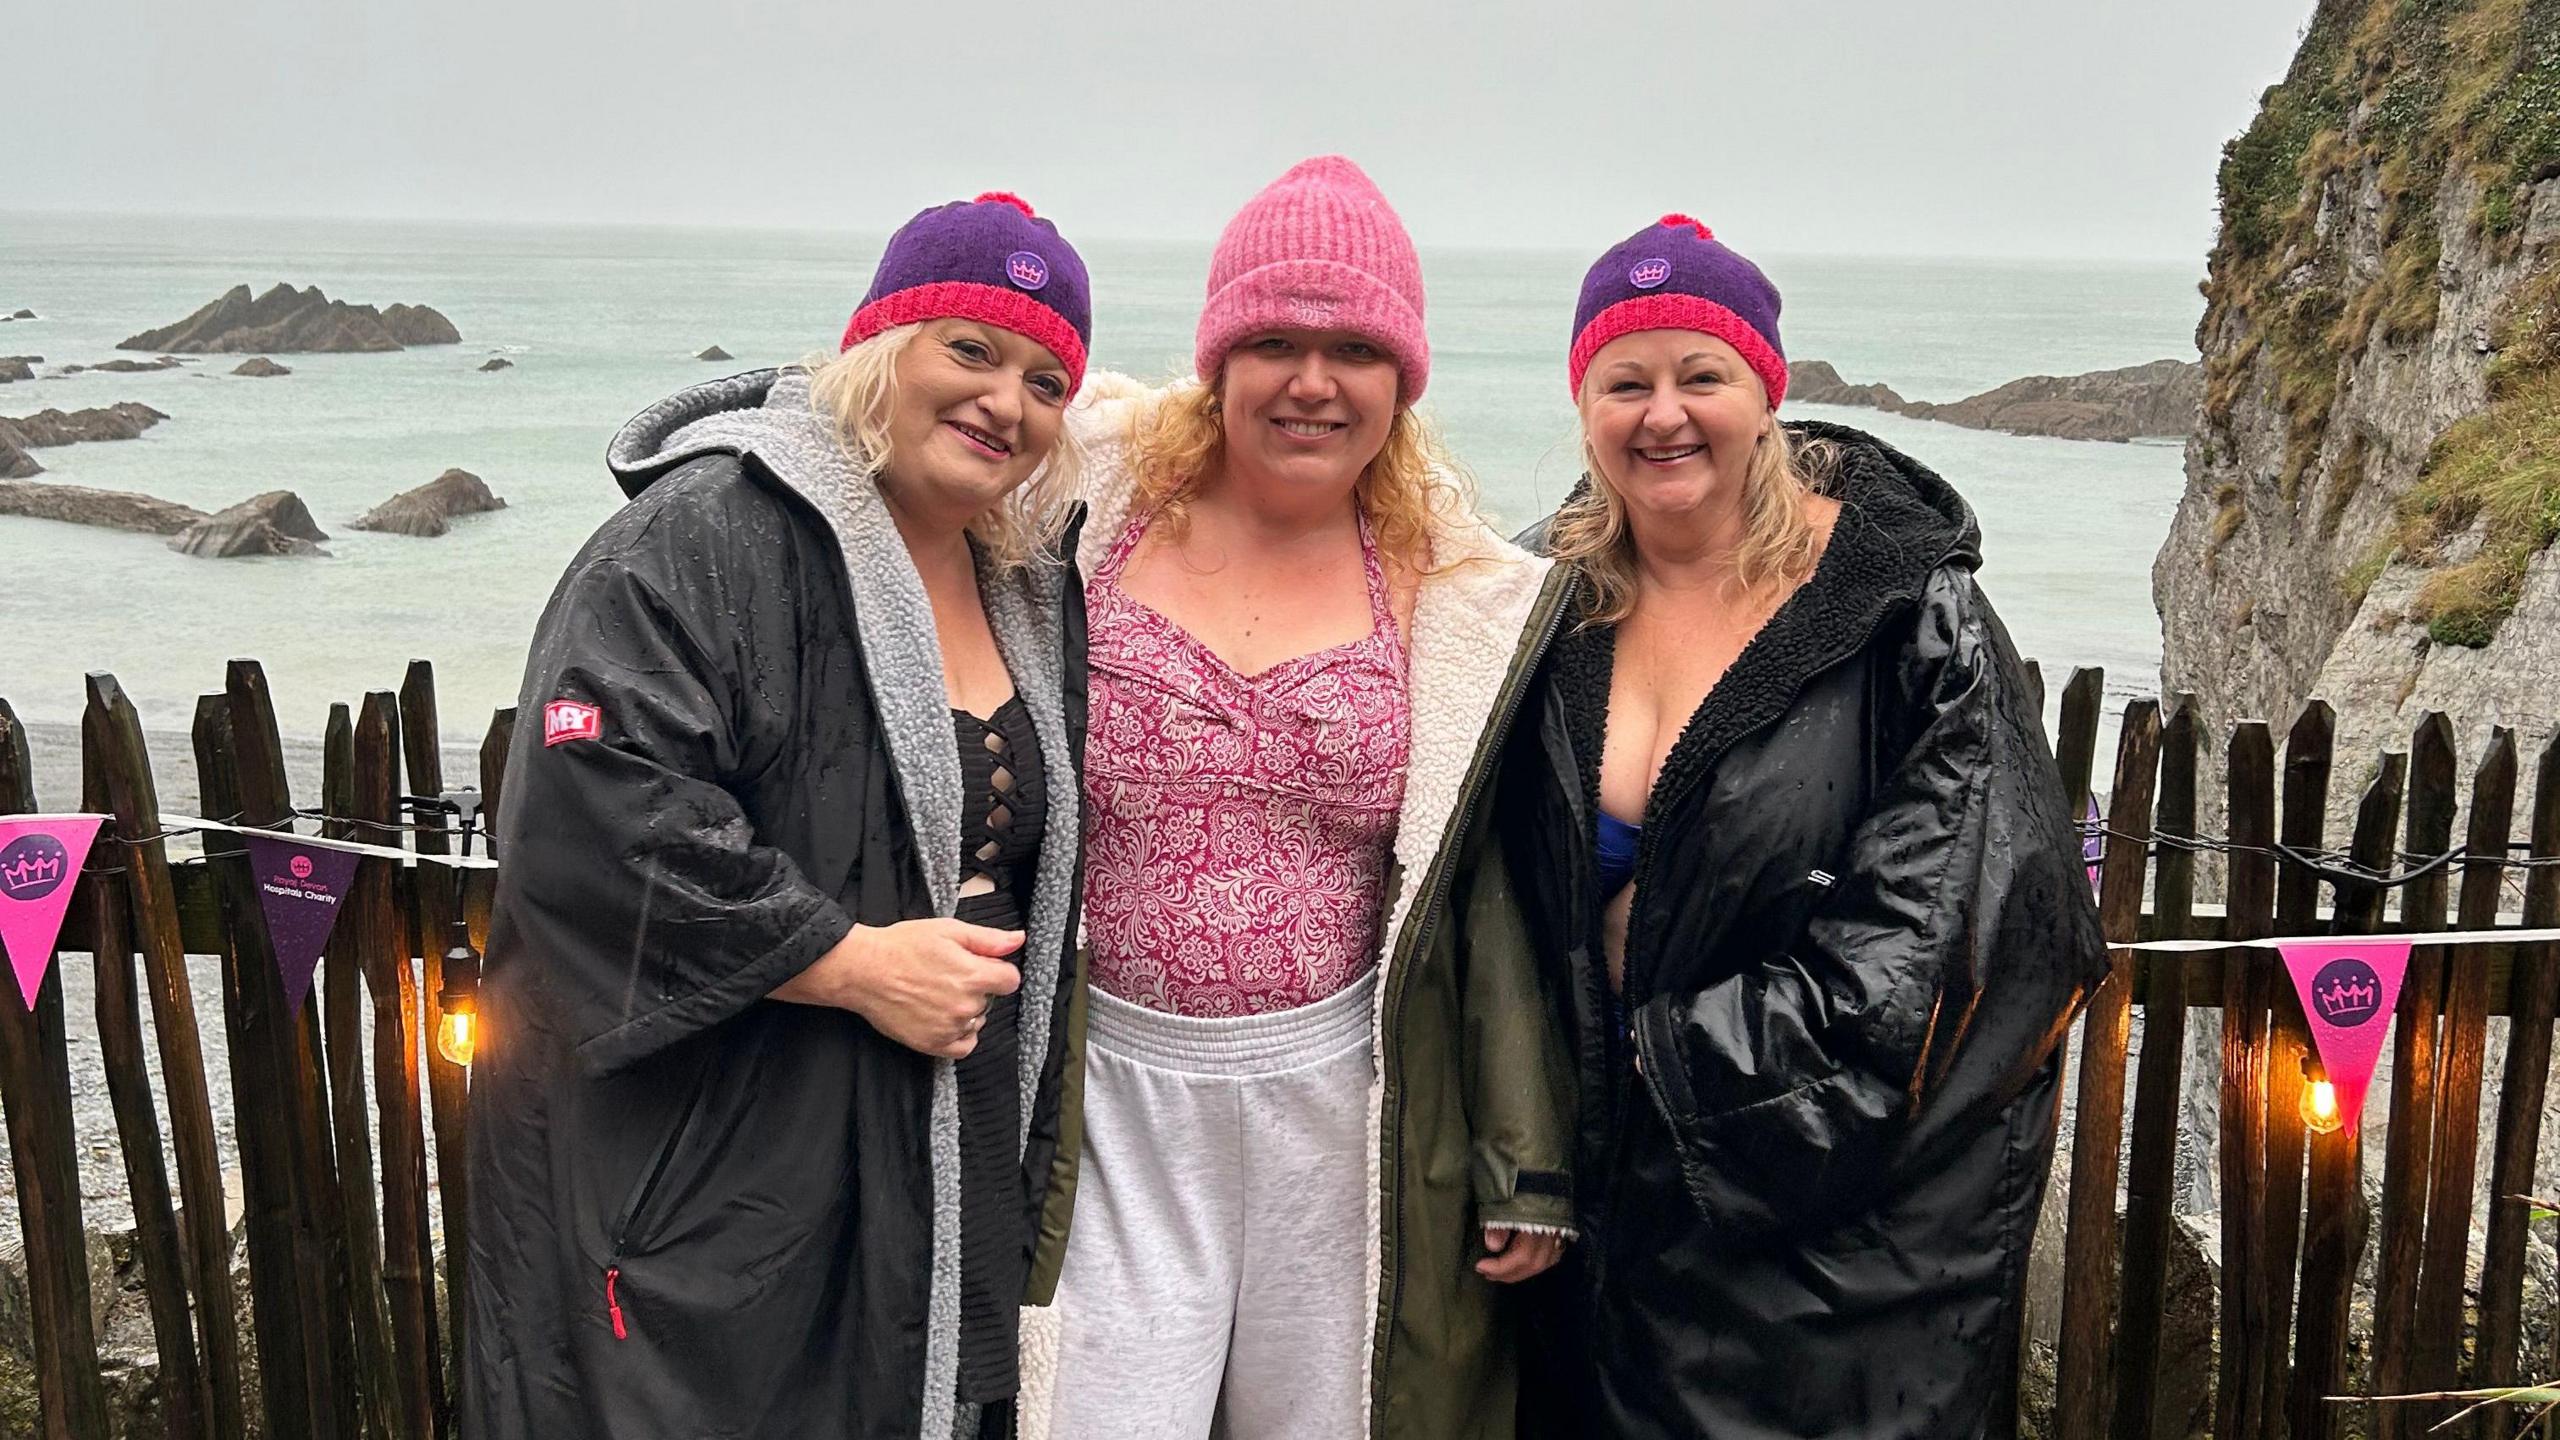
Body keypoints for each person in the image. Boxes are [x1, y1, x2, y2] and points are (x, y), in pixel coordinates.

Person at [463, 191, 1096, 1440]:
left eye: (1045, 379)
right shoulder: (703, 533)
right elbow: (590, 798)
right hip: (724, 1146)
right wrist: (847, 961)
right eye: (969, 348)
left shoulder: (1016, 577)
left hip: (939, 1132)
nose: (1004, 402)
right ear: (877, 350)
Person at [1497, 214, 2108, 1438]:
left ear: (1764, 390)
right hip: (1591, 1234)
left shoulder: (1908, 620)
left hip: (1841, 1272)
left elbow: (1964, 953)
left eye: (1699, 375)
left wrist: (1662, 1053)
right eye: (1625, 381)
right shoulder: (1533, 608)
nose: (1662, 414)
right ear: (1584, 404)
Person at [1026, 156, 1576, 1440]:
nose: (1312, 382)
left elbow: (1486, 897)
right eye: (1272, 340)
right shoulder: (1088, 508)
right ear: (1217, 360)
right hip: (1110, 1093)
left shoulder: (1452, 589)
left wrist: (1522, 1154)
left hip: (1337, 1108)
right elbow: (906, 466)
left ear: (1404, 379)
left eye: (1353, 349)